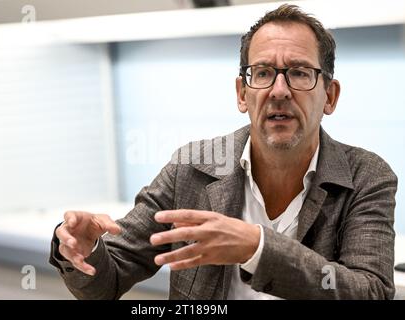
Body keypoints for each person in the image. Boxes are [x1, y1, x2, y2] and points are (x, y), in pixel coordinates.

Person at [49, 4, 397, 299]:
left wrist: (257, 248)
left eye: (299, 73)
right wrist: (84, 249)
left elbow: (370, 290)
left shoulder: (367, 176)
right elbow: (107, 281)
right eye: (262, 72)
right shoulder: (190, 168)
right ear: (242, 94)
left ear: (330, 96)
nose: (279, 91)